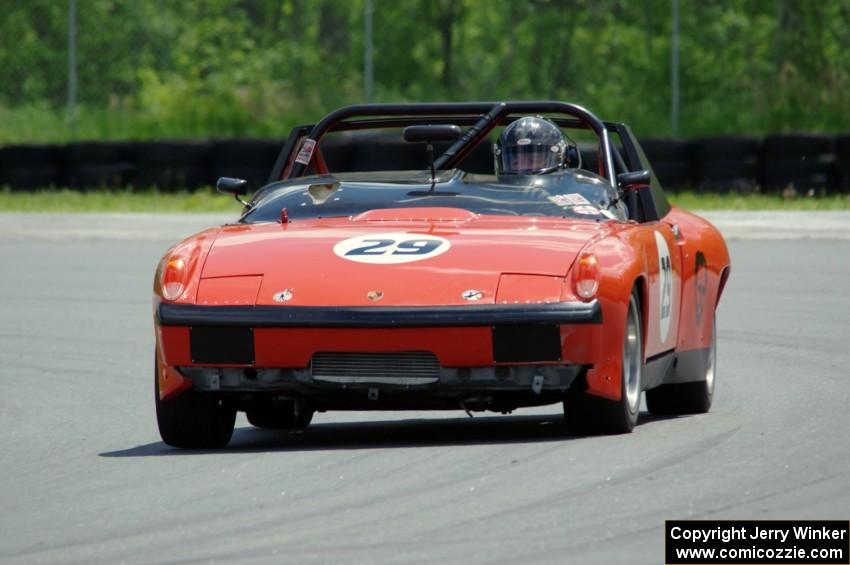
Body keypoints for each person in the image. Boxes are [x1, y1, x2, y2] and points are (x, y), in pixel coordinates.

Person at [494, 116, 579, 175]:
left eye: (534, 161)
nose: (525, 169)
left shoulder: (574, 195)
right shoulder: (493, 198)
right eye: (516, 163)